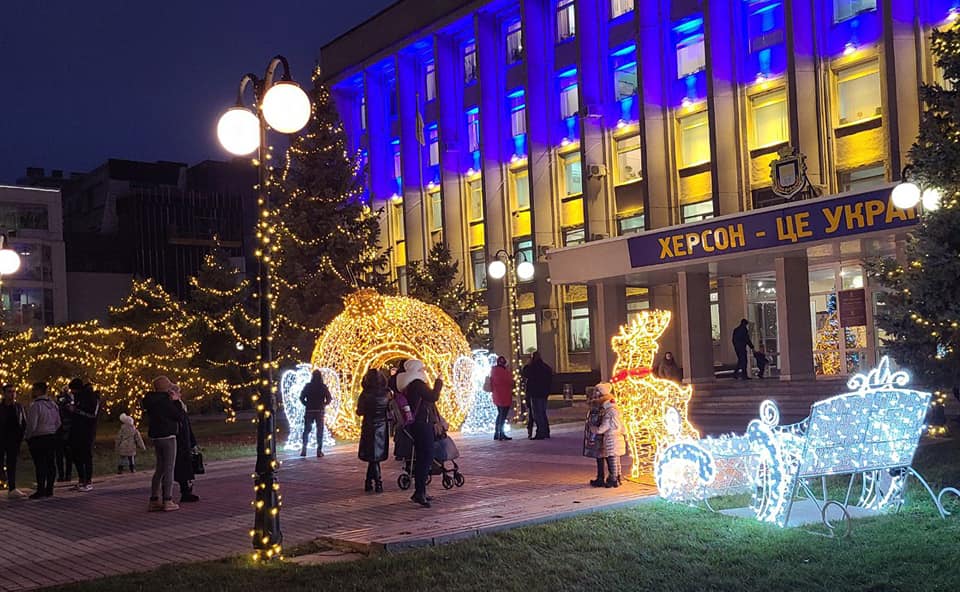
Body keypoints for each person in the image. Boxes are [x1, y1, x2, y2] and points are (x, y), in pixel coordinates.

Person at [396, 359, 442, 508]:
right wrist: (439, 382)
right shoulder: (418, 384)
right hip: (422, 424)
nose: (424, 371)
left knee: (423, 457)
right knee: (426, 456)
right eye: (422, 368)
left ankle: (421, 490)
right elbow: (434, 396)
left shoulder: (409, 385)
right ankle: (419, 492)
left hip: (417, 424)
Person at [142, 376, 185, 512]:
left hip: (156, 436)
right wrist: (176, 401)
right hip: (168, 436)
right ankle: (168, 499)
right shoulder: (166, 401)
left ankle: (154, 499)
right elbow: (179, 416)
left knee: (160, 467)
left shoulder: (150, 400)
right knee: (169, 468)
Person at [24, 382, 61, 499]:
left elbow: (32, 424)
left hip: (39, 437)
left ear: (39, 390)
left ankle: (40, 489)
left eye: (34, 389)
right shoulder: (53, 405)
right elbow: (58, 422)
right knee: (51, 463)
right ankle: (49, 489)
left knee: (40, 464)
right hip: (51, 436)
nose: (32, 392)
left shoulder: (36, 405)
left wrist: (28, 436)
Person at [356, 369, 390, 493]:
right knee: (375, 457)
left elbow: (360, 411)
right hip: (382, 426)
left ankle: (375, 482)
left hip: (369, 425)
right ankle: (371, 482)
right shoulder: (387, 393)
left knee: (373, 457)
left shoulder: (365, 394)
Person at [590, 384, 626, 488]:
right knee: (616, 458)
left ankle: (613, 478)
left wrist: (595, 430)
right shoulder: (617, 411)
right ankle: (618, 477)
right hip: (618, 437)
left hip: (611, 438)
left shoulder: (609, 412)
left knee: (612, 458)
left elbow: (603, 427)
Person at [68, 378, 99, 491]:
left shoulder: (91, 397)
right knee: (76, 455)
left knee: (86, 455)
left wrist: (76, 411)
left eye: (73, 390)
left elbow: (92, 415)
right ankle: (81, 479)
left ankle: (88, 481)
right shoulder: (78, 398)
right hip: (76, 430)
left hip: (87, 431)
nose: (72, 393)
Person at [0, 384, 27, 498]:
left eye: (13, 392)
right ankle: (3, 478)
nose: (12, 394)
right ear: (4, 393)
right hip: (1, 439)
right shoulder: (1, 407)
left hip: (13, 440)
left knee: (12, 463)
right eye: (9, 392)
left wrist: (21, 436)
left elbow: (23, 422)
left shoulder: (18, 407)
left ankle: (12, 487)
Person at [299, 370, 332, 458]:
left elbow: (301, 397)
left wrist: (306, 404)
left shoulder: (308, 386)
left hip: (309, 410)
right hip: (319, 410)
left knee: (307, 429)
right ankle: (319, 450)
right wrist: (324, 404)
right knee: (319, 430)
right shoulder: (323, 386)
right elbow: (329, 398)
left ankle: (304, 449)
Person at [173, 393, 199, 503]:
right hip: (180, 442)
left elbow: (187, 426)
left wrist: (193, 443)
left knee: (186, 467)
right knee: (182, 467)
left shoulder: (181, 407)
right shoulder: (176, 407)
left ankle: (187, 490)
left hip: (185, 441)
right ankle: (185, 491)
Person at [522, 351, 553, 440]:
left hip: (535, 393)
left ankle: (540, 432)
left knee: (537, 414)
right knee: (543, 413)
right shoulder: (545, 367)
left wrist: (527, 364)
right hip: (543, 393)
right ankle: (546, 431)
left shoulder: (532, 367)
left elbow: (525, 373)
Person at [582, 386, 605, 487]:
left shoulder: (600, 406)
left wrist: (596, 430)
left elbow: (596, 420)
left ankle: (604, 477)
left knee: (604, 457)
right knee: (601, 457)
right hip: (598, 434)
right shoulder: (597, 405)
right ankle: (605, 476)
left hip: (600, 435)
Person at [489, 356, 514, 441]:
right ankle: (501, 433)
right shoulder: (505, 372)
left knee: (500, 414)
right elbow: (510, 382)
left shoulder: (493, 371)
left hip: (497, 396)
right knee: (502, 416)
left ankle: (497, 433)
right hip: (505, 396)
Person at [54, 387, 74, 483]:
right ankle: (63, 474)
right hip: (61, 431)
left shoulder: (69, 403)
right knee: (61, 455)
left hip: (66, 431)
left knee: (66, 455)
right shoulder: (59, 405)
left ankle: (66, 474)